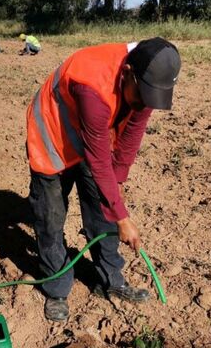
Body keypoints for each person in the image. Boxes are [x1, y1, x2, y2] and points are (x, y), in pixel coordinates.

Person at [25, 38, 181, 321]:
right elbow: (98, 158)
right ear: (127, 72)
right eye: (142, 93)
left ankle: (110, 281)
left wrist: (114, 193)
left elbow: (133, 130)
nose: (144, 101)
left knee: (102, 208)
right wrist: (122, 217)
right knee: (50, 217)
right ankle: (57, 288)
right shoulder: (92, 84)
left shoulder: (145, 80)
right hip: (54, 136)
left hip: (91, 132)